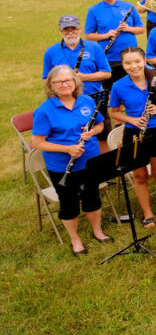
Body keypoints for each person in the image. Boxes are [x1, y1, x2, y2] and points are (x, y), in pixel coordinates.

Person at [32, 66, 110, 256]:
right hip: (62, 165)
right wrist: (67, 149)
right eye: (58, 82)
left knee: (92, 196)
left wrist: (93, 131)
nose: (64, 84)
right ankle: (75, 239)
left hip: (90, 159)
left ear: (75, 82)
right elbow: (37, 142)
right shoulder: (45, 111)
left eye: (68, 80)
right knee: (69, 203)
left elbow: (100, 124)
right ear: (51, 85)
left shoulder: (86, 101)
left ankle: (97, 231)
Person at [108, 47, 156, 229]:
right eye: (128, 63)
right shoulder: (119, 86)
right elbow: (113, 112)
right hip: (133, 134)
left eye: (137, 61)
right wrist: (132, 120)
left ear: (144, 60)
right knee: (139, 175)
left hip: (155, 132)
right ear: (122, 65)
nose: (133, 66)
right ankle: (147, 213)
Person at [83, 0, 143, 84]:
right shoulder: (94, 10)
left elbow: (141, 29)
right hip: (109, 57)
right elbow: (88, 35)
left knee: (132, 86)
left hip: (130, 55)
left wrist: (129, 28)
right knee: (111, 89)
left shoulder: (128, 6)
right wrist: (105, 35)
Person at [42, 14, 111, 100]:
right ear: (60, 31)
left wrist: (84, 77)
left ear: (80, 29)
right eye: (66, 30)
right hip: (64, 100)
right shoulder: (50, 52)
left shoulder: (94, 47)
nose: (70, 33)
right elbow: (46, 79)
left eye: (74, 29)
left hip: (92, 97)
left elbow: (107, 73)